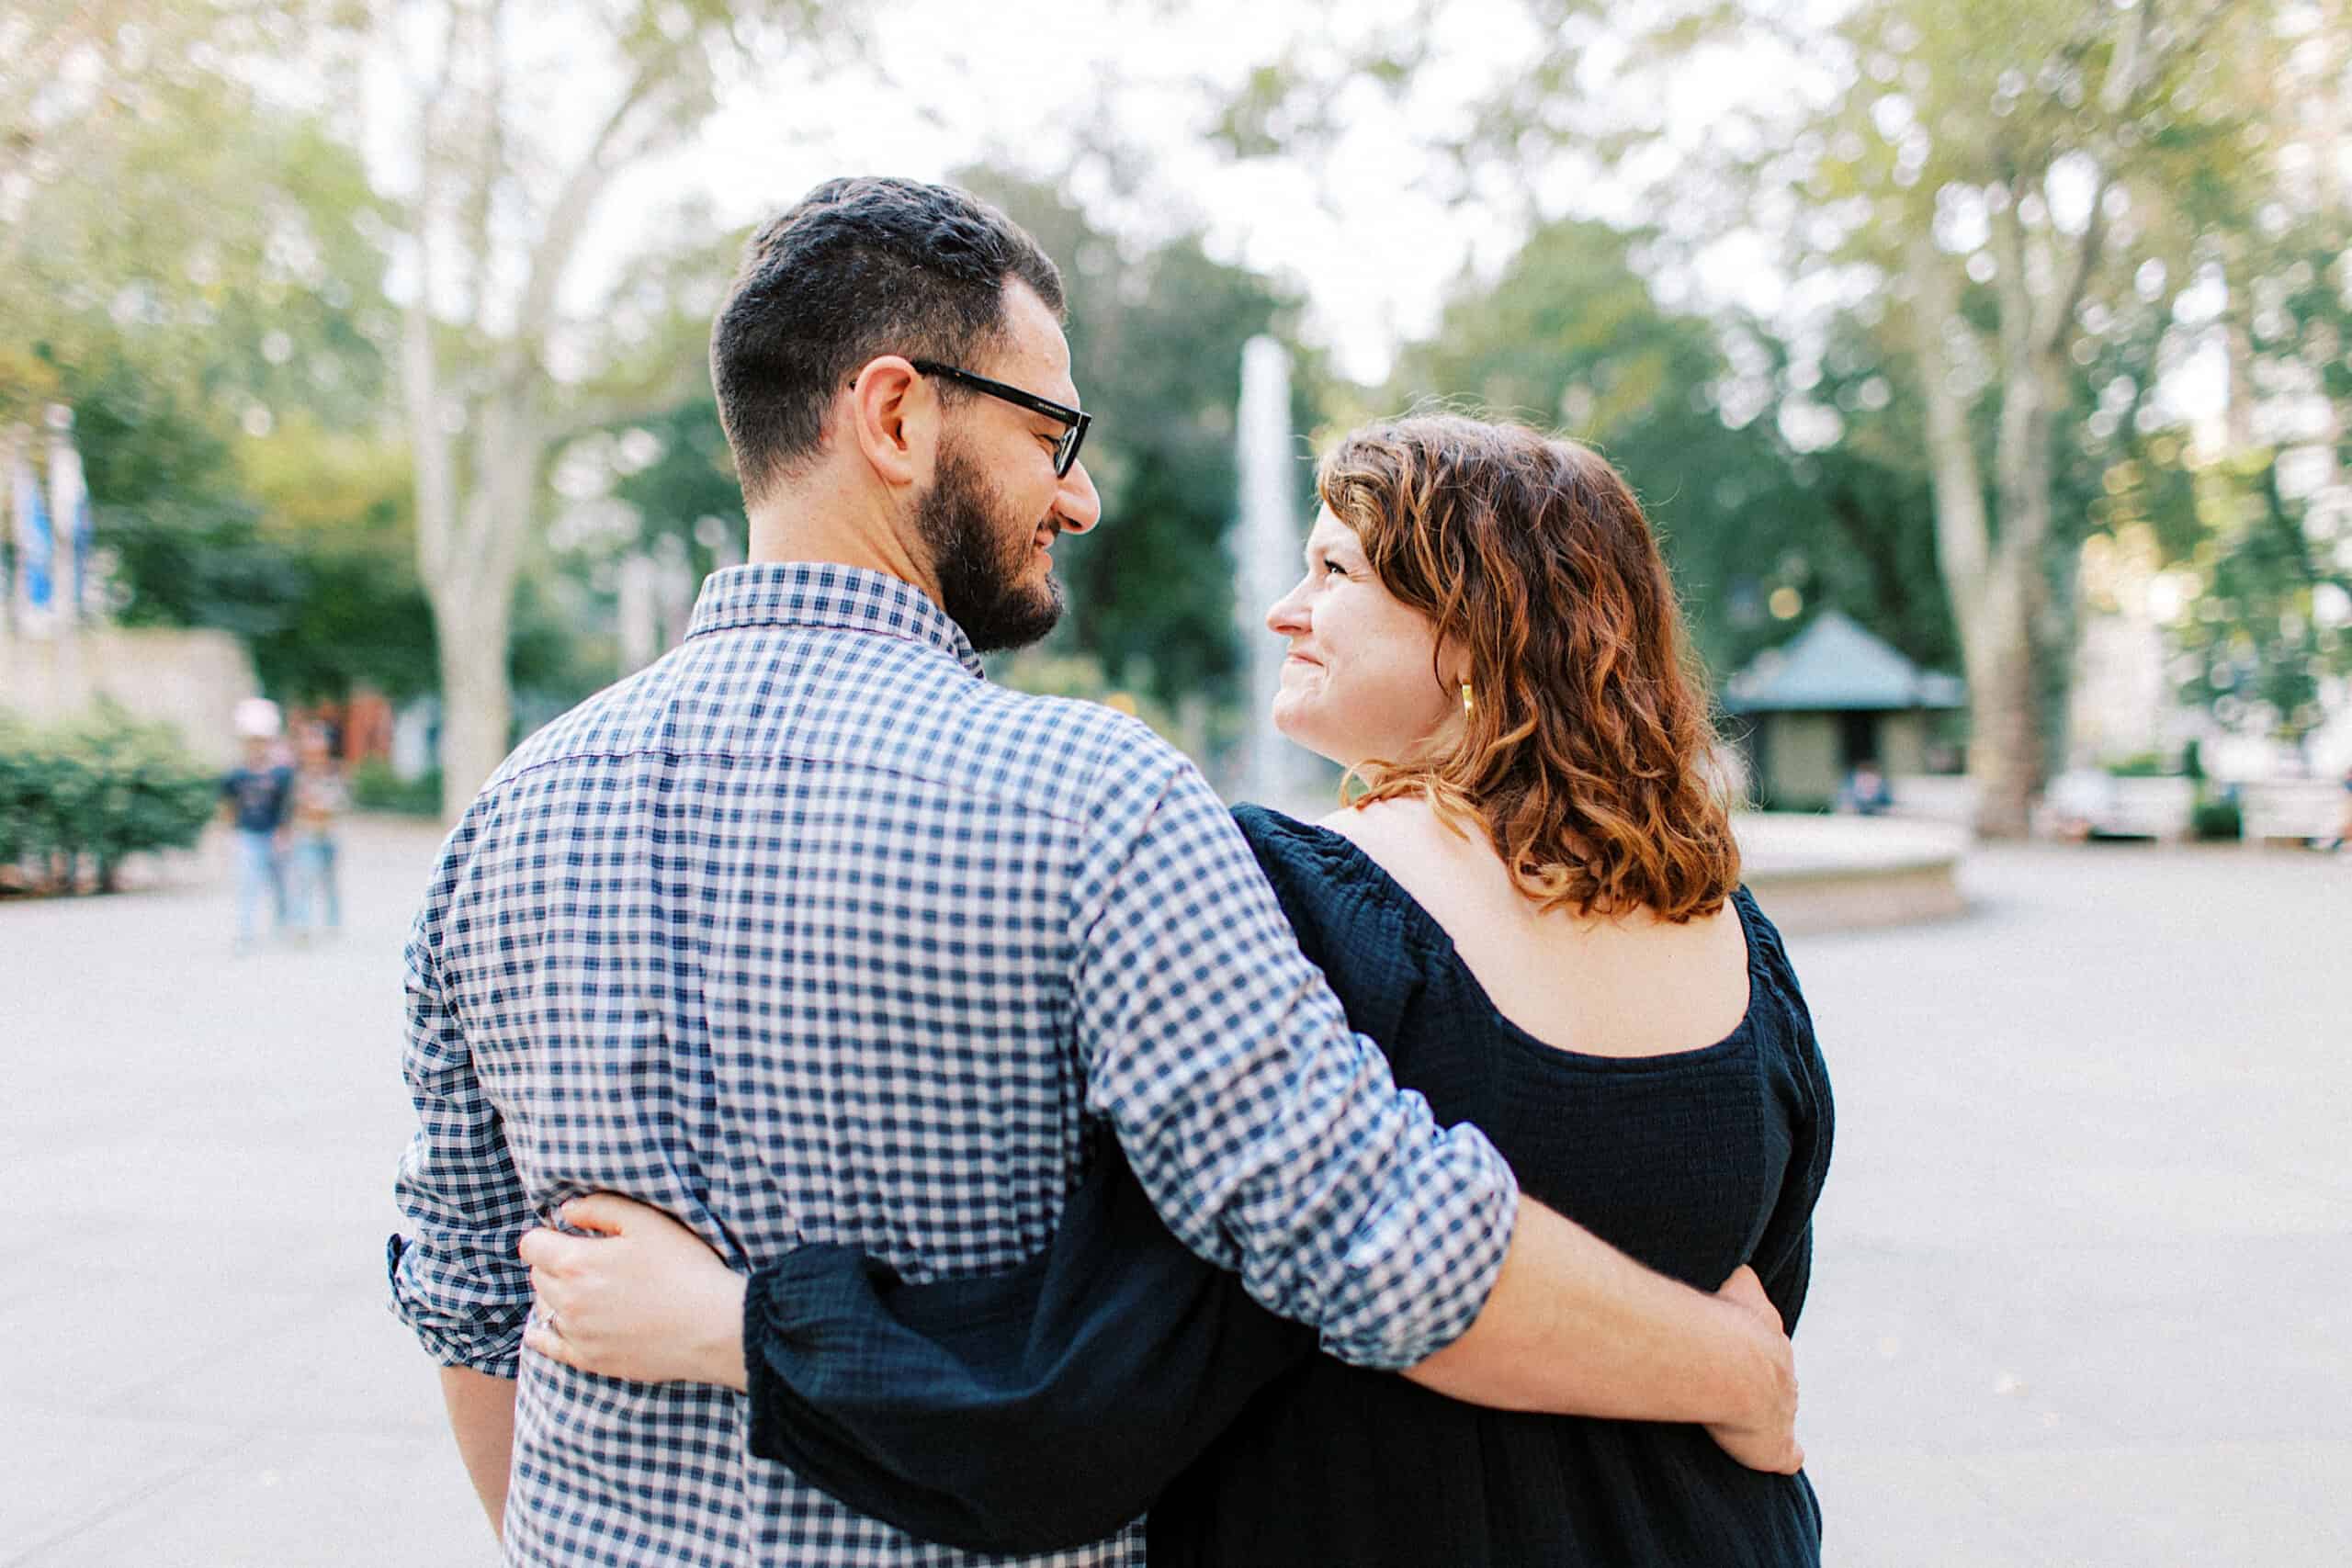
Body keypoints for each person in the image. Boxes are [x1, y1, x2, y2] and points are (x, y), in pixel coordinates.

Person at [390, 179, 1798, 1568]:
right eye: (1051, 431)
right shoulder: (1097, 805)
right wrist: (1735, 1366)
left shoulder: (498, 826)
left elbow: (465, 1304)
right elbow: (1363, 1234)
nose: (1080, 490)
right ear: (895, 415)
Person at [220, 701, 293, 953]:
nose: (256, 747)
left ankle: (284, 924)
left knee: (280, 882)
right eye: (252, 741)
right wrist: (231, 832)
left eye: (261, 741)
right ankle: (244, 931)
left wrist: (285, 832)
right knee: (248, 884)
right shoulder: (236, 774)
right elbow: (228, 804)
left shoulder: (280, 774)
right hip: (248, 834)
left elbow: (286, 806)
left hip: (273, 833)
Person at [286, 723, 346, 938]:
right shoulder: (298, 776)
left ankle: (333, 923)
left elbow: (335, 803)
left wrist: (316, 806)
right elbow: (298, 805)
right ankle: (302, 924)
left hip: (328, 834)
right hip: (307, 834)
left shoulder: (334, 773)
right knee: (305, 879)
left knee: (329, 881)